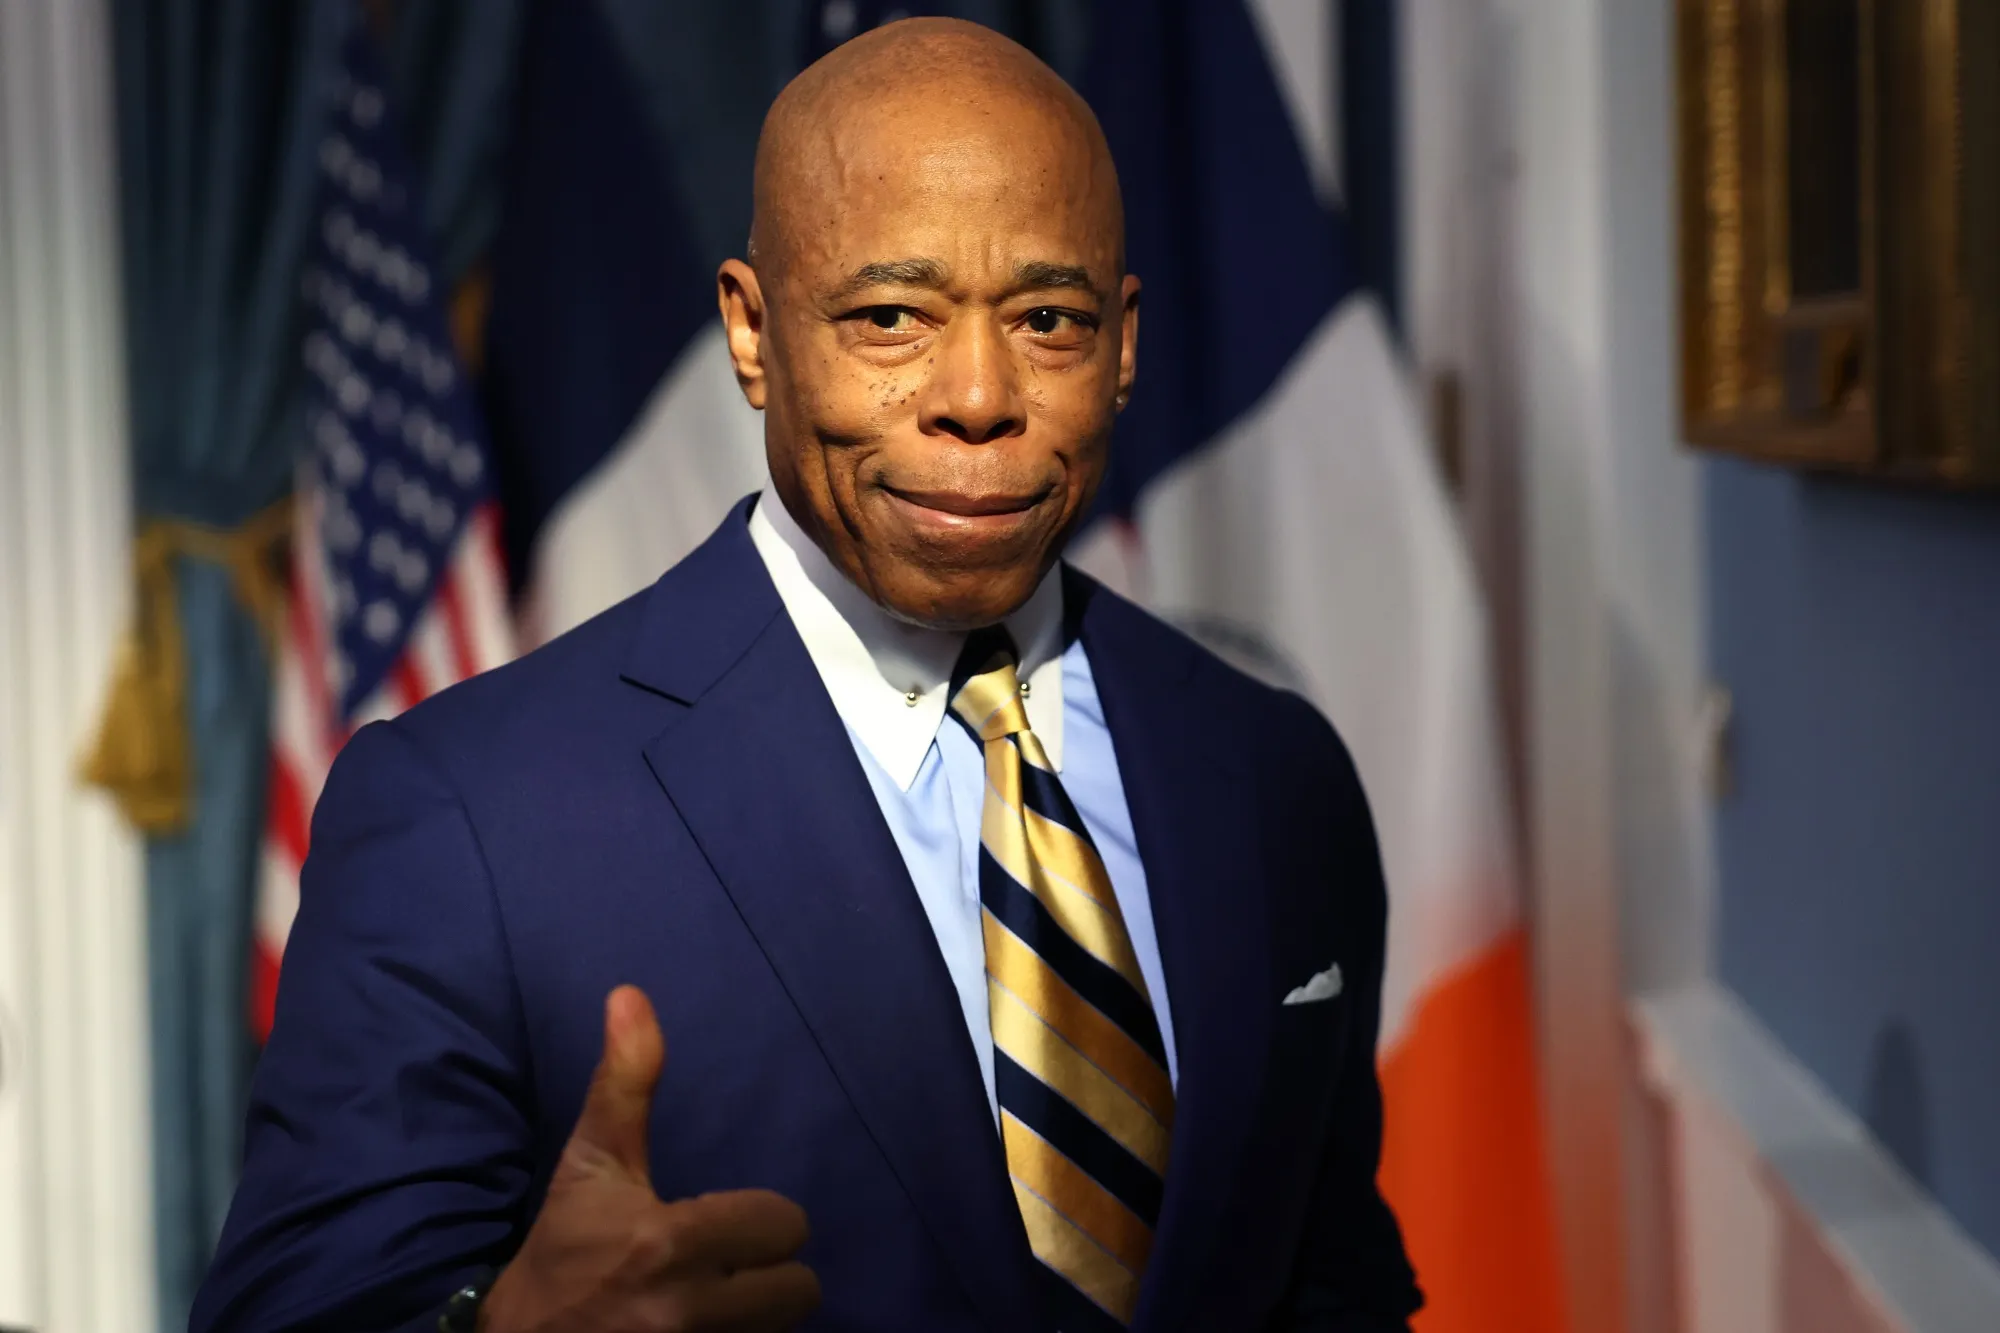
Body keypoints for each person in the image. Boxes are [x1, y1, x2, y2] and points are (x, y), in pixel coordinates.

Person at [192, 18, 1422, 1333]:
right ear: (752, 332)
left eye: (1047, 320)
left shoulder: (1275, 776)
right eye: (891, 318)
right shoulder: (469, 817)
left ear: (1122, 345)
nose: (977, 395)